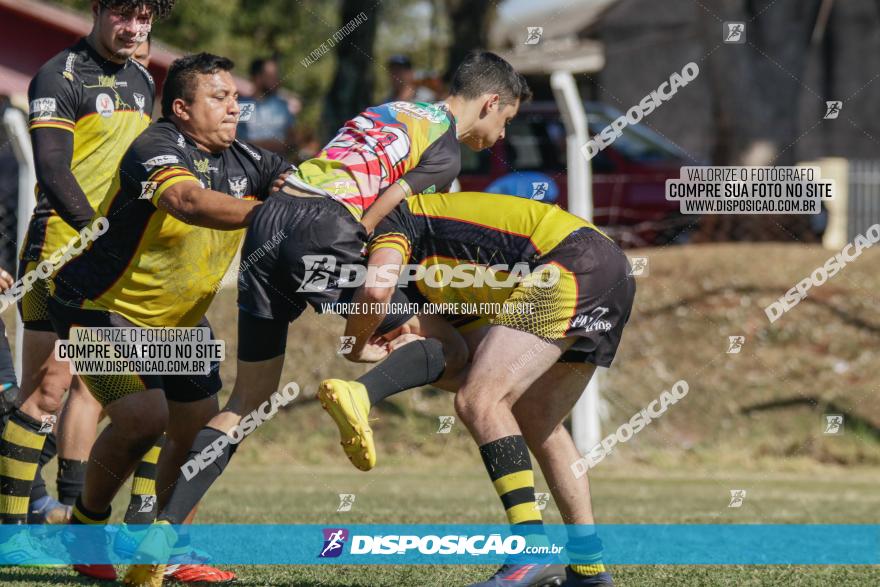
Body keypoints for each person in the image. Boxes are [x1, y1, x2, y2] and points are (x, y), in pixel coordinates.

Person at [125, 50, 531, 586]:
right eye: (505, 121)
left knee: (246, 402)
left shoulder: (392, 110)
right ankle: (360, 393)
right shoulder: (447, 152)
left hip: (268, 226)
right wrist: (371, 313)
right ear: (491, 102)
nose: (501, 137)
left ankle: (164, 534)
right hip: (324, 227)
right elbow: (382, 217)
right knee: (447, 347)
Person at [46, 52, 290, 584]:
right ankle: (84, 528)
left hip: (178, 321)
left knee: (197, 431)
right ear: (181, 108)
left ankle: (173, 550)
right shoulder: (154, 147)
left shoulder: (252, 161)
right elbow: (187, 201)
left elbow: (305, 190)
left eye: (235, 97)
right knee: (142, 419)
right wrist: (273, 212)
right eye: (219, 98)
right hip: (93, 307)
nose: (234, 108)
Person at [320, 191, 635, 586]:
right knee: (539, 422)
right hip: (607, 269)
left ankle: (529, 550)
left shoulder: (391, 223)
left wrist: (356, 346)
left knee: (480, 400)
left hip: (569, 264)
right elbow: (457, 355)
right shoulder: (451, 276)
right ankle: (589, 570)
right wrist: (412, 351)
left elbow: (376, 291)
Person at [0, 0, 173, 562]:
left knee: (131, 390)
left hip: (117, 263)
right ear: (99, 11)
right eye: (125, 15)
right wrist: (96, 232)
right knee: (45, 392)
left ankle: (85, 520)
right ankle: (13, 537)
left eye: (145, 19)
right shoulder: (58, 75)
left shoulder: (144, 80)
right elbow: (52, 170)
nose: (135, 29)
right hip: (58, 254)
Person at [236, 57, 296, 156]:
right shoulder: (242, 106)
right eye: (271, 76)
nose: (277, 80)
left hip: (279, 168)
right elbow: (236, 142)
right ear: (257, 78)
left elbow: (292, 141)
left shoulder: (282, 106)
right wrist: (270, 145)